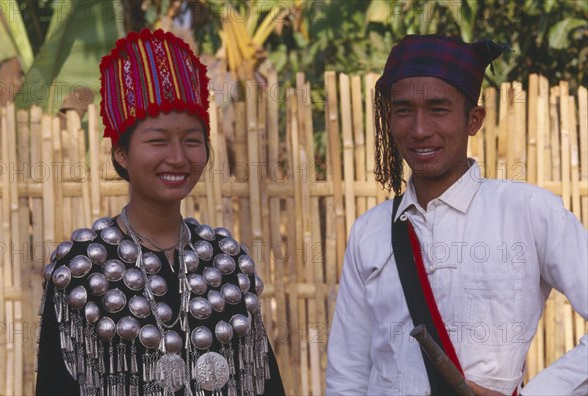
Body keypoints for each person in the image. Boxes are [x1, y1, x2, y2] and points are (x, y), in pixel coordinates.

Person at [326, 34, 587, 395]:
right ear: (389, 119)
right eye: (404, 111)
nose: (420, 130)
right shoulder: (369, 232)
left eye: (438, 109)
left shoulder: (527, 212)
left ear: (473, 120)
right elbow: (348, 375)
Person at [36, 28, 285, 396]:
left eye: (191, 140)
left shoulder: (227, 263)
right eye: (157, 140)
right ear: (121, 153)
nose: (178, 158)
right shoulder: (80, 272)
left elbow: (265, 384)